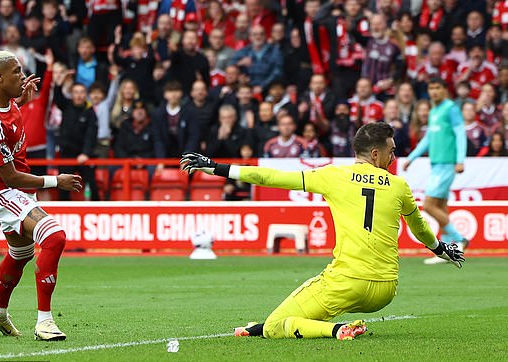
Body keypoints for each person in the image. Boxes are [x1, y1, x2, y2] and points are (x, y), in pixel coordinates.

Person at [180, 121, 464, 341]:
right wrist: (441, 250)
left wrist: (217, 168)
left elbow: (272, 177)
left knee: (278, 327)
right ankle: (257, 327)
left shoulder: (333, 176)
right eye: (391, 151)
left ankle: (338, 330)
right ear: (376, 154)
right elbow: (419, 226)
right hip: (385, 291)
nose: (394, 157)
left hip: (347, 282)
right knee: (279, 319)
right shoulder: (399, 185)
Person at [0, 50, 82, 341]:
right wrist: (55, 181)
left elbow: (6, 114)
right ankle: (44, 322)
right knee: (54, 236)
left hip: (17, 187)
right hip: (3, 189)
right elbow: (9, 176)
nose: (22, 76)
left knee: (20, 254)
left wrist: (21, 100)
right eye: (16, 72)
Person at [403, 77, 468, 265]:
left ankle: (459, 238)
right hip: (437, 164)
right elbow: (428, 139)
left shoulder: (451, 109)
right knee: (440, 207)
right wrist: (412, 158)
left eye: (437, 88)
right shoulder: (434, 112)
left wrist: (460, 160)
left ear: (444, 90)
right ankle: (449, 251)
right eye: (431, 88)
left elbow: (460, 134)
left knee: (429, 206)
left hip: (447, 164)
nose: (434, 92)